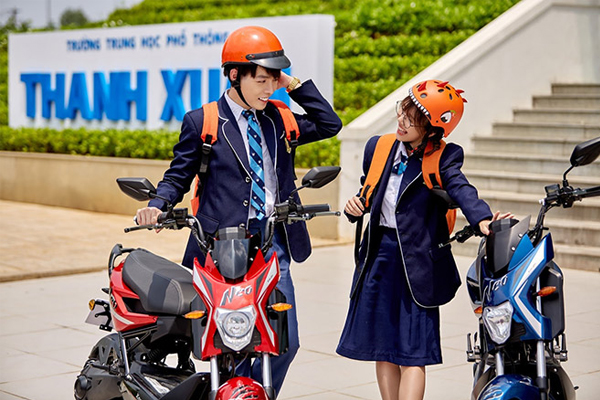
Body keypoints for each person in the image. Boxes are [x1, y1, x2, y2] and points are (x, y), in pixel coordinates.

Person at [135, 26, 342, 394]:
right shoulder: (203, 121)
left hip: (273, 245)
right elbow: (177, 175)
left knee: (284, 343)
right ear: (234, 75)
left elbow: (330, 123)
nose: (269, 88)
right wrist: (156, 205)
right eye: (261, 80)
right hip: (222, 247)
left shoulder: (279, 117)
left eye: (273, 80)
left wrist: (290, 83)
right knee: (230, 342)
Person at [336, 79, 510, 400]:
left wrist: (482, 218)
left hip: (418, 265)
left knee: (413, 352)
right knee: (383, 347)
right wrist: (355, 206)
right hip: (379, 257)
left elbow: (460, 188)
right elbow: (368, 193)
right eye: (403, 111)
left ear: (431, 128)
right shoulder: (378, 147)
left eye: (413, 118)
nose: (402, 121)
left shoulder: (444, 157)